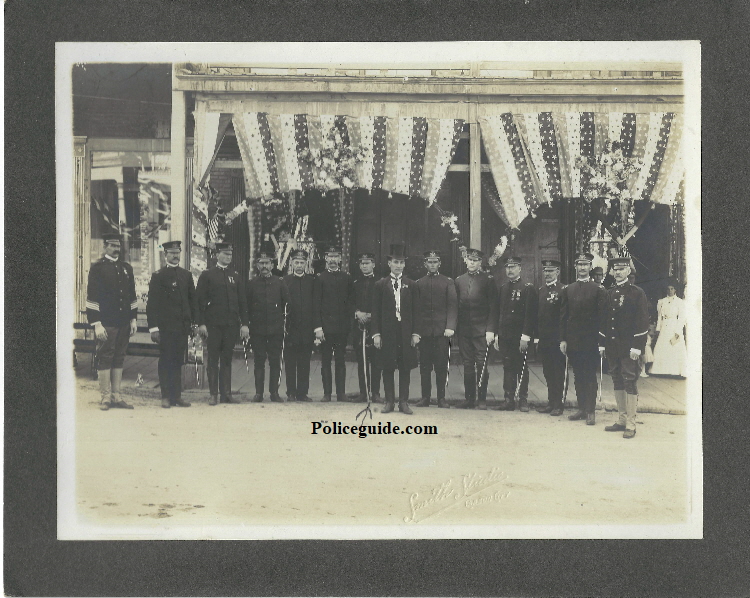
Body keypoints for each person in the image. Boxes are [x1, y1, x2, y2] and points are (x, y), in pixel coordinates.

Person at [600, 257, 650, 439]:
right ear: (612, 271)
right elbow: (604, 319)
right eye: (616, 269)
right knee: (616, 379)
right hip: (613, 345)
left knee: (629, 381)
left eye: (622, 269)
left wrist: (637, 347)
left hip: (629, 347)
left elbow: (643, 321)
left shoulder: (637, 293)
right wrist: (601, 343)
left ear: (629, 271)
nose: (619, 272)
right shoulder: (609, 292)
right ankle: (621, 419)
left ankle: (631, 423)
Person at [86, 232, 137, 410]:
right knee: (105, 357)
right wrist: (97, 323)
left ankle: (116, 396)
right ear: (105, 246)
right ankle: (105, 397)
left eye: (118, 246)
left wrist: (133, 318)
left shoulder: (126, 268)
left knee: (119, 357)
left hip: (123, 322)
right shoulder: (97, 268)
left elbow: (131, 295)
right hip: (106, 322)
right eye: (113, 245)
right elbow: (92, 297)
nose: (116, 249)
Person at [196, 242, 249, 405]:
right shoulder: (207, 275)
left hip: (231, 325)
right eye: (225, 254)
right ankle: (213, 394)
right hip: (213, 325)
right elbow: (199, 302)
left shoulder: (236, 276)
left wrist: (244, 324)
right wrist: (201, 323)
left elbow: (242, 302)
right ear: (217, 255)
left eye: (230, 255)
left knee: (227, 358)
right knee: (213, 359)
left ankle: (226, 393)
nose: (228, 257)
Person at [146, 240, 198, 409]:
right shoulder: (158, 276)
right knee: (166, 360)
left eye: (178, 253)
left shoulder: (186, 275)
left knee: (178, 361)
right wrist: (154, 328)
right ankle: (166, 396)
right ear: (165, 254)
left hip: (182, 328)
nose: (176, 256)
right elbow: (152, 304)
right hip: (166, 328)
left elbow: (192, 302)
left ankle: (177, 396)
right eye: (172, 253)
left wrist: (194, 323)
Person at [559, 252, 607, 425]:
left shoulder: (598, 290)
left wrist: (601, 342)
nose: (582, 268)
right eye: (579, 265)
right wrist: (563, 339)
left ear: (589, 267)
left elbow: (603, 318)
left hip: (591, 341)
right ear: (575, 267)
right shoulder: (569, 289)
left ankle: (590, 410)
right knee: (578, 374)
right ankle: (581, 408)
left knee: (589, 375)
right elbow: (564, 316)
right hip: (573, 340)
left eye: (585, 265)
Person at [371, 250, 420, 414]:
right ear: (389, 264)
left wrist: (415, 333)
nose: (398, 266)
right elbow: (375, 311)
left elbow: (416, 310)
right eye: (395, 262)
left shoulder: (411, 285)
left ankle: (403, 402)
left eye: (401, 263)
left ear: (404, 264)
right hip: (387, 332)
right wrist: (376, 334)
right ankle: (389, 401)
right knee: (388, 365)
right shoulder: (380, 285)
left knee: (405, 366)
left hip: (405, 332)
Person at [453, 248, 498, 410]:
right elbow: (455, 306)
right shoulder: (459, 281)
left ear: (480, 262)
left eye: (476, 260)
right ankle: (469, 399)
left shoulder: (488, 280)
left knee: (481, 364)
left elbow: (494, 307)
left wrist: (490, 330)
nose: (472, 263)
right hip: (464, 330)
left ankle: (482, 399)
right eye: (470, 260)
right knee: (467, 364)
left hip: (482, 331)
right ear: (466, 261)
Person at [414, 250, 458, 408]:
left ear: (439, 264)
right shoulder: (419, 283)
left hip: (442, 332)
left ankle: (441, 398)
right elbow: (416, 309)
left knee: (441, 366)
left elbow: (453, 306)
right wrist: (417, 331)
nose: (432, 265)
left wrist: (450, 326)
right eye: (429, 262)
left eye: (435, 262)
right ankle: (425, 397)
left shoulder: (448, 282)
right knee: (425, 366)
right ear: (425, 264)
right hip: (425, 332)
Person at [494, 256, 538, 412]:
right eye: (507, 267)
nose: (510, 270)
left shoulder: (527, 288)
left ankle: (523, 399)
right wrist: (498, 335)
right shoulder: (503, 288)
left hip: (520, 338)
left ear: (520, 268)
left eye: (513, 267)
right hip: (506, 336)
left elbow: (529, 315)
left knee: (521, 367)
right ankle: (508, 399)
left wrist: (525, 337)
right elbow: (500, 313)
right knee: (507, 366)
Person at [313, 245, 354, 402]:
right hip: (325, 328)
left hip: (341, 328)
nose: (332, 260)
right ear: (326, 259)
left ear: (340, 259)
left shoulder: (346, 278)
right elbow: (316, 304)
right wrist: (318, 328)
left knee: (341, 360)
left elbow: (350, 302)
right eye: (330, 257)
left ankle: (341, 393)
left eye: (336, 257)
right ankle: (327, 393)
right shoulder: (320, 278)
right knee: (325, 360)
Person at [247, 250, 289, 403]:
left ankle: (274, 393)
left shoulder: (280, 282)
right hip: (257, 329)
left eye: (267, 263)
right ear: (257, 265)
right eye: (261, 263)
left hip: (275, 329)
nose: (264, 266)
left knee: (275, 361)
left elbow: (287, 304)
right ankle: (258, 393)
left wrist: (283, 324)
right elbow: (247, 306)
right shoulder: (251, 284)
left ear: (272, 265)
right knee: (259, 360)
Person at [534, 259, 566, 416]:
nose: (547, 274)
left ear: (557, 272)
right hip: (544, 339)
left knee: (557, 372)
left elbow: (564, 317)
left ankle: (558, 405)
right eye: (545, 271)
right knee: (547, 372)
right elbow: (538, 316)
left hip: (557, 340)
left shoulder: (563, 290)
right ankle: (551, 402)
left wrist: (563, 339)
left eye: (551, 271)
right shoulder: (540, 291)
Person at [282, 249, 315, 401]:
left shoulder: (312, 281)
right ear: (292, 263)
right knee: (290, 362)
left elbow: (316, 305)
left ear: (306, 264)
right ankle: (291, 392)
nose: (299, 265)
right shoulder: (285, 281)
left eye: (302, 262)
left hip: (307, 329)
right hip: (290, 329)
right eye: (297, 262)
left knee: (304, 362)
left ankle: (302, 393)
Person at [353, 252, 382, 403]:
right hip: (360, 327)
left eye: (368, 263)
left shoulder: (380, 282)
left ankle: (375, 392)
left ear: (374, 264)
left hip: (375, 327)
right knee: (362, 360)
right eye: (362, 263)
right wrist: (357, 313)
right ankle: (364, 392)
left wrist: (371, 315)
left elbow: (384, 304)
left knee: (377, 361)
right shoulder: (355, 283)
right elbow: (350, 302)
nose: (365, 266)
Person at [650, 281, 687, 377]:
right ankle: (660, 371)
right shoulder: (662, 301)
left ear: (675, 290)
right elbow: (659, 317)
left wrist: (678, 331)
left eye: (672, 288)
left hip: (674, 325)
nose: (670, 291)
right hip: (664, 327)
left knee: (673, 346)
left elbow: (682, 317)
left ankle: (675, 371)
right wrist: (658, 328)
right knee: (662, 346)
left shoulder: (679, 302)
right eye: (668, 289)